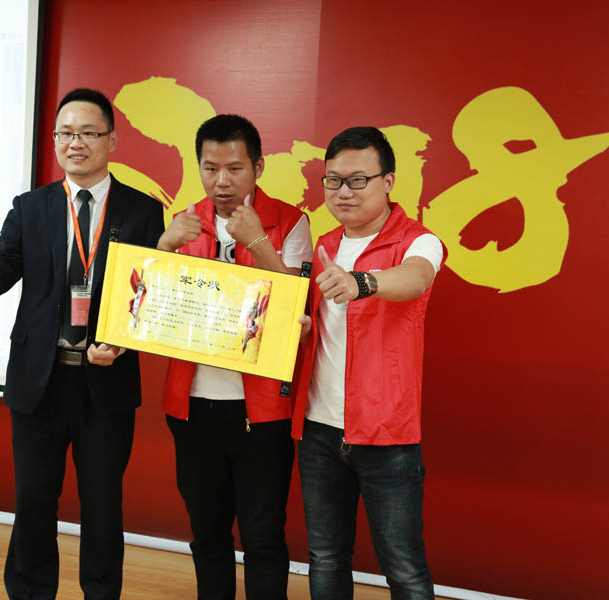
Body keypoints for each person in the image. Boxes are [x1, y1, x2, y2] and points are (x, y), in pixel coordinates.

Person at [0, 88, 165, 600]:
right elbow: (0, 270)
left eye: (88, 133)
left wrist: (121, 345)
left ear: (112, 140)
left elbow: (148, 295)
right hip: (40, 379)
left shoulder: (143, 211)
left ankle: (100, 592)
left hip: (106, 380)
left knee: (102, 505)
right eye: (65, 133)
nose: (75, 143)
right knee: (34, 501)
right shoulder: (31, 207)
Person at [156, 114, 313, 599]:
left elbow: (294, 309)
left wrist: (257, 241)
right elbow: (153, 307)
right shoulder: (184, 221)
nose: (221, 181)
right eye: (210, 168)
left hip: (261, 409)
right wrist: (164, 245)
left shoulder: (291, 222)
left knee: (263, 535)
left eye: (234, 168)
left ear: (258, 167)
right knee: (207, 533)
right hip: (192, 404)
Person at [292, 127, 444, 600]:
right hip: (319, 429)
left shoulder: (418, 241)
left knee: (403, 567)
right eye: (333, 180)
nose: (344, 192)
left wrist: (363, 283)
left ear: (388, 181)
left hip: (386, 433)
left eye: (358, 180)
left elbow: (415, 278)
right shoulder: (324, 243)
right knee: (325, 556)